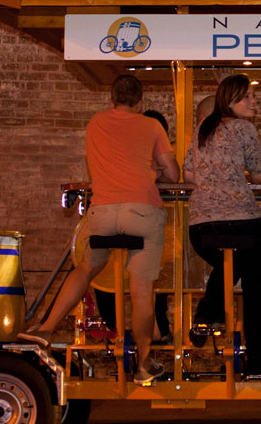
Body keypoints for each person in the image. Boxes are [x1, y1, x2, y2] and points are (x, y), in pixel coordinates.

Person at [21, 74, 180, 386]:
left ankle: (45, 327)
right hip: (142, 211)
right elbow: (173, 175)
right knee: (142, 289)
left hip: (103, 213)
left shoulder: (95, 123)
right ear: (141, 102)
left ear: (111, 100)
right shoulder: (152, 126)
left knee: (86, 267)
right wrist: (156, 169)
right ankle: (145, 362)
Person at [185, 74, 261, 370]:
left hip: (200, 227)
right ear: (231, 101)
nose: (253, 101)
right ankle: (256, 358)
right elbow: (259, 175)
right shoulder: (245, 129)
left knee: (230, 264)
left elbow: (188, 175)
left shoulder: (202, 129)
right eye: (247, 96)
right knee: (253, 285)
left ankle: (205, 316)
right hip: (242, 222)